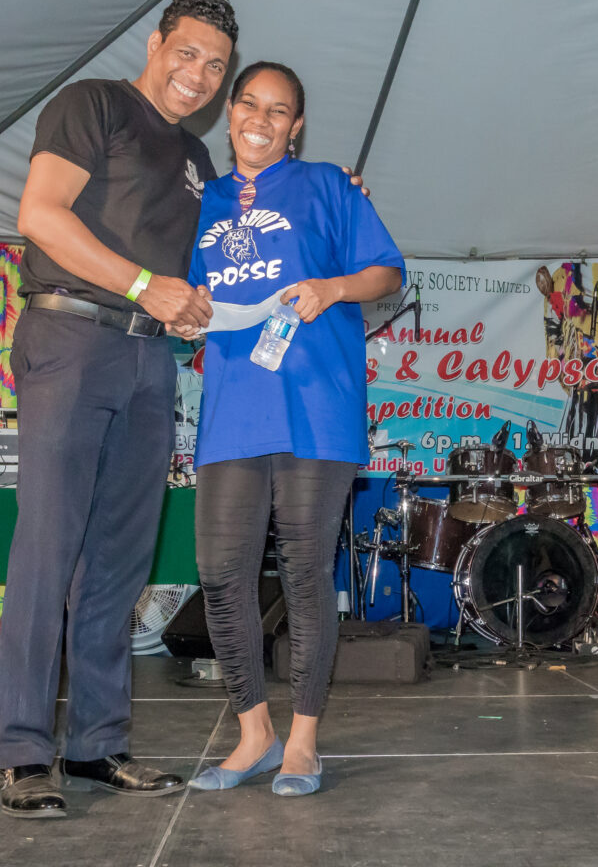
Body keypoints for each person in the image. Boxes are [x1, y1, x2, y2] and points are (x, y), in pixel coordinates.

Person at [0, 0, 235, 818]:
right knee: (48, 548)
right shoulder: (93, 103)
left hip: (148, 357)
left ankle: (96, 743)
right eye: (188, 52)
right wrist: (141, 285)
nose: (199, 74)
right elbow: (39, 214)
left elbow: (208, 265)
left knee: (120, 562)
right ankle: (25, 750)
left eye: (216, 65)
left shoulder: (197, 160)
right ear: (156, 43)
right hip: (72, 337)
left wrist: (185, 304)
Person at [184, 61, 403, 797]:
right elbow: (185, 296)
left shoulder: (329, 186)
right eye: (250, 104)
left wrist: (333, 287)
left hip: (316, 410)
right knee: (221, 575)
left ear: (296, 126)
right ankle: (255, 735)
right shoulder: (202, 201)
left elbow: (387, 272)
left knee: (305, 574)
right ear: (230, 112)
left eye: (279, 111)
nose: (261, 119)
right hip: (231, 413)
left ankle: (303, 743)